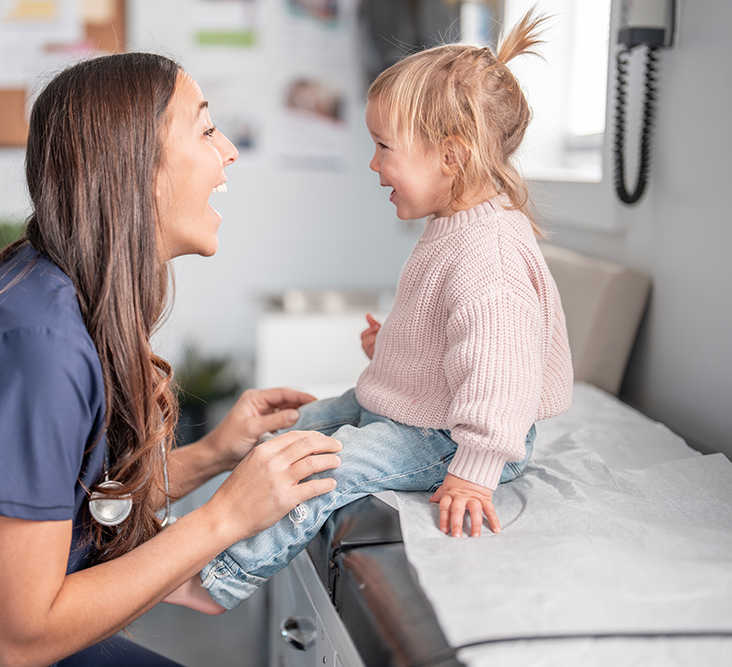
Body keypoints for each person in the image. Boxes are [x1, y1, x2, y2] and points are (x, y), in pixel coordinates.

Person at [0, 53, 343, 666]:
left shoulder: (58, 298)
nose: (228, 151)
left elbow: (66, 506)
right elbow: (22, 637)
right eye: (205, 129)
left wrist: (212, 456)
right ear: (135, 169)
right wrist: (222, 520)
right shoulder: (34, 348)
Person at [187, 10, 574, 613]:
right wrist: (395, 345)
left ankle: (219, 581)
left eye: (384, 148)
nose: (373, 164)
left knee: (318, 472)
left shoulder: (490, 254)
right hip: (421, 407)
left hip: (452, 438)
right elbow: (453, 328)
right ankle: (187, 529)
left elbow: (501, 376)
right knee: (291, 430)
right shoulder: (454, 226)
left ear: (452, 156)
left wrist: (474, 470)